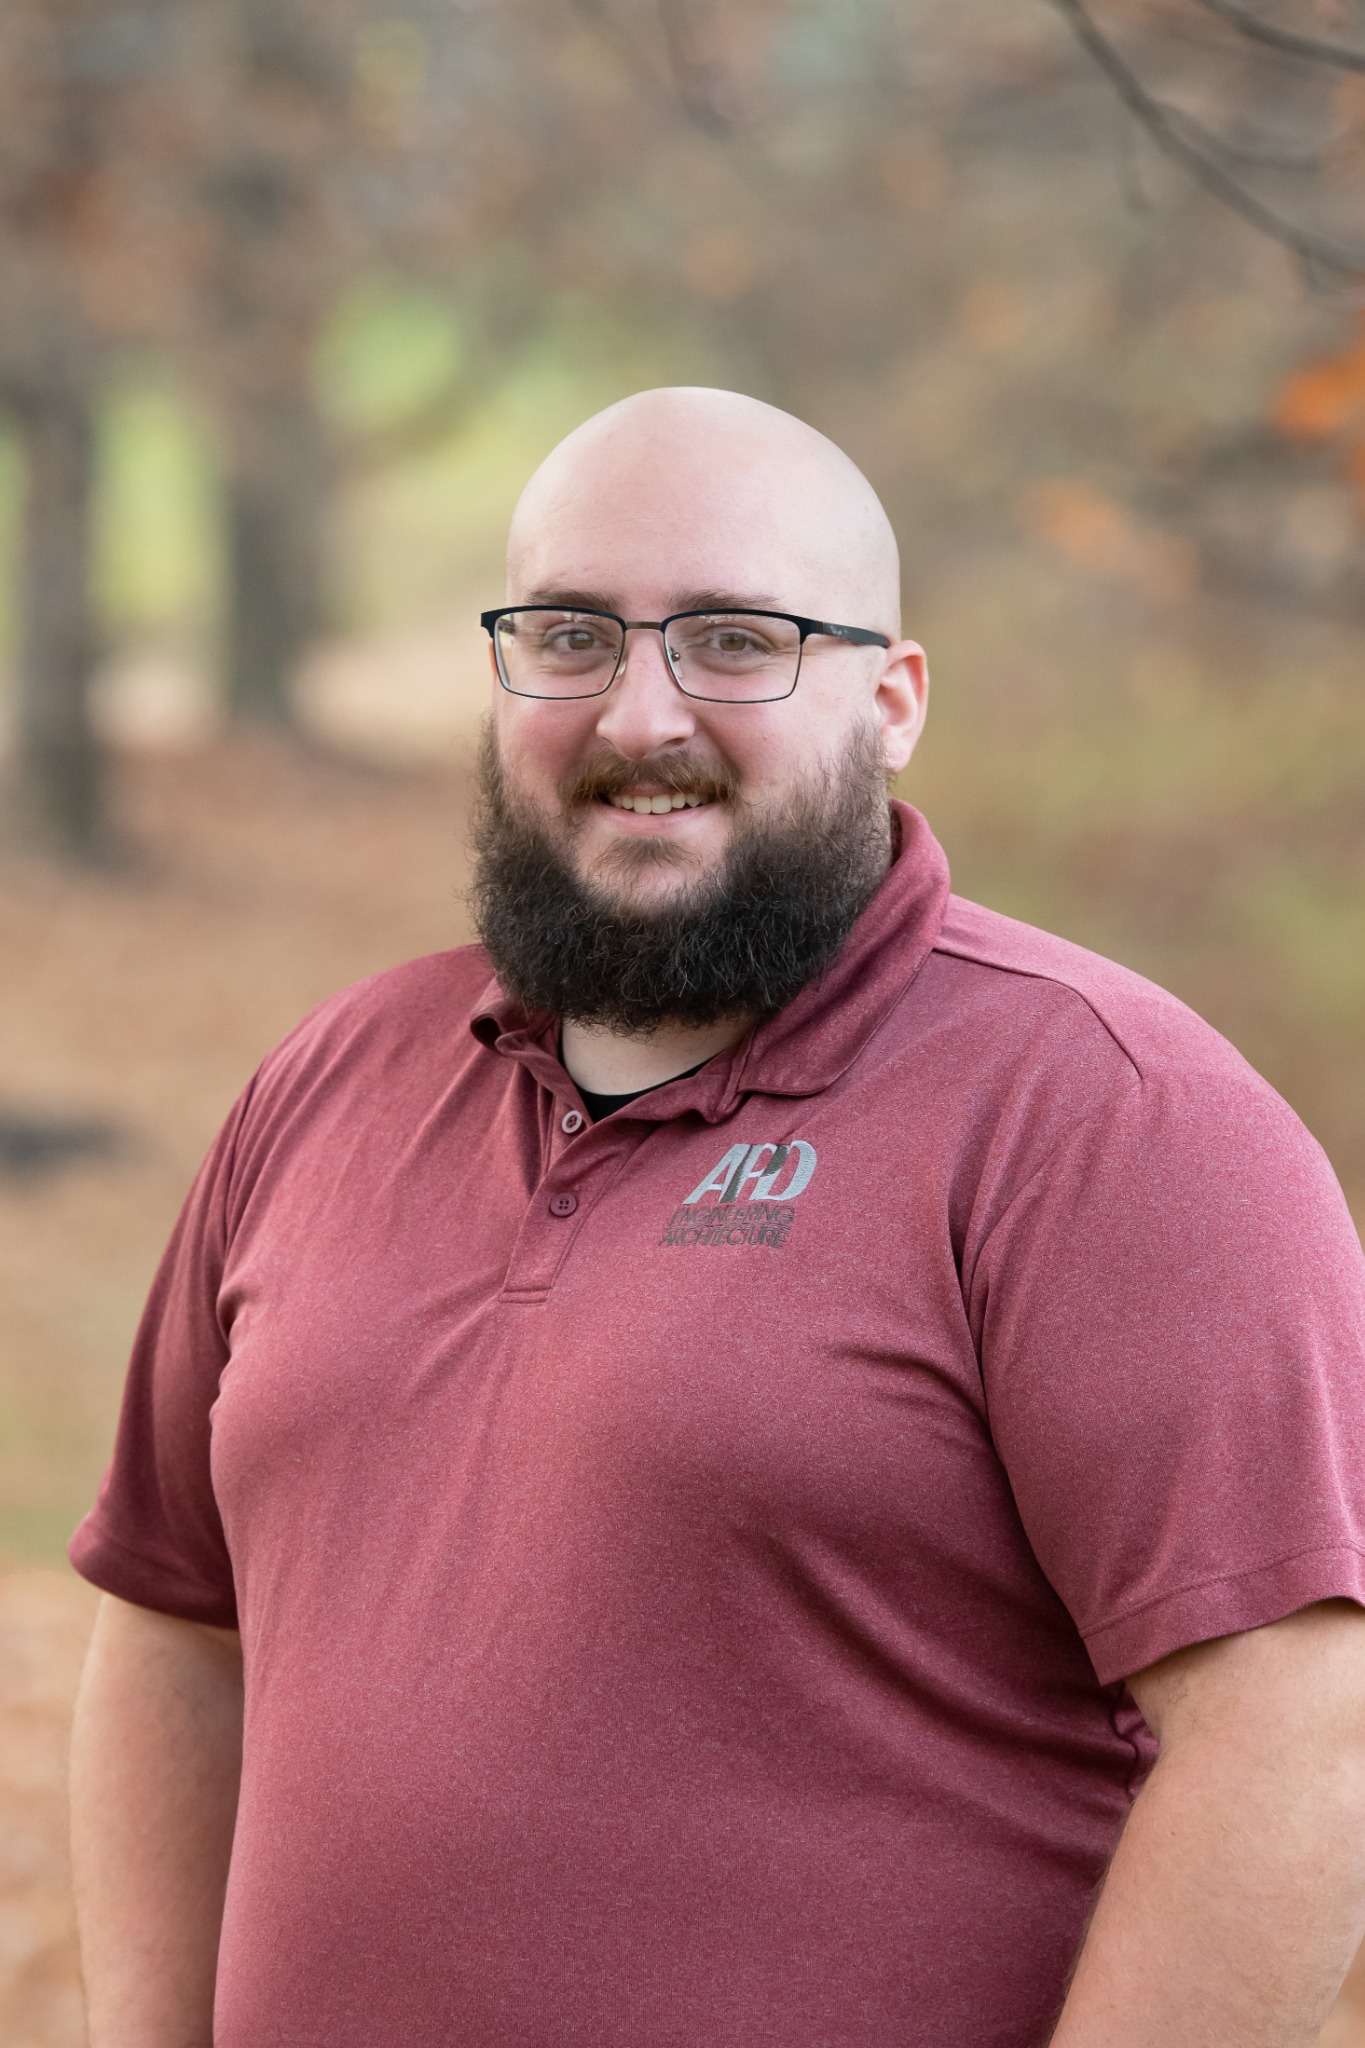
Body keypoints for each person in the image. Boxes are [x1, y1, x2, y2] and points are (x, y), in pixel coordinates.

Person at [67, 387, 1365, 2048]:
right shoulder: (331, 1081)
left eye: (737, 640)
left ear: (890, 701)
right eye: (571, 634)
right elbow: (177, 1627)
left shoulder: (1105, 1118)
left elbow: (1293, 1723)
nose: (640, 714)